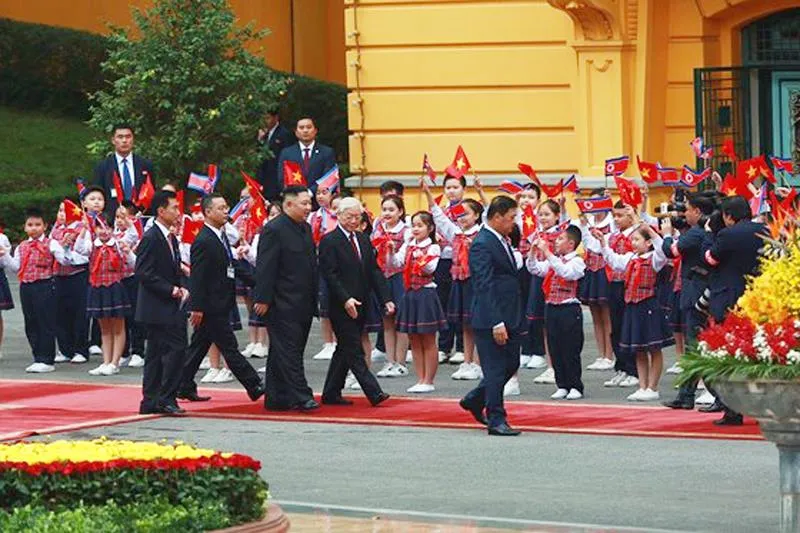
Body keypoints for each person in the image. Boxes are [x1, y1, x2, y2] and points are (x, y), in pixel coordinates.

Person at [177, 193, 265, 403]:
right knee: (229, 346)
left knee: (198, 347)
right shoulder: (204, 240)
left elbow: (231, 266)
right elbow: (198, 277)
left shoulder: (221, 235)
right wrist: (196, 307)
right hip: (209, 305)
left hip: (220, 301)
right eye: (221, 208)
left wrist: (258, 283)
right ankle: (254, 385)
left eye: (226, 207)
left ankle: (183, 384)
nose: (226, 211)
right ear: (208, 212)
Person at [318, 197, 393, 406]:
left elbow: (374, 271)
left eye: (357, 216)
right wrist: (345, 298)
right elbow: (330, 275)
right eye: (349, 216)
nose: (353, 220)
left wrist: (386, 298)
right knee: (353, 347)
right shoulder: (329, 241)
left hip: (362, 301)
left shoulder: (362, 239)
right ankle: (374, 391)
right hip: (340, 304)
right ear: (339, 216)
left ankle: (331, 392)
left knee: (344, 348)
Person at [460, 195, 524, 436]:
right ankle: (496, 418)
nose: (513, 222)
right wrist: (496, 321)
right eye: (510, 218)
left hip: (510, 314)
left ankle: (476, 398)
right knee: (496, 368)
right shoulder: (482, 244)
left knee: (511, 363)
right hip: (492, 317)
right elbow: (484, 285)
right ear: (496, 217)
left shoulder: (501, 239)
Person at [700, 195, 766, 425]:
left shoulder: (727, 234)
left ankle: (732, 410)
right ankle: (762, 408)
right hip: (758, 299)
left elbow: (710, 259)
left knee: (728, 353)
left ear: (728, 216)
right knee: (757, 351)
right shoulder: (765, 230)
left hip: (728, 298)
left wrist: (709, 234)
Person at [253, 185, 319, 411]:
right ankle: (302, 395)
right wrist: (261, 298)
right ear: (288, 204)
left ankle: (276, 396)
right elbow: (266, 267)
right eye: (304, 204)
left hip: (303, 300)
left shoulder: (306, 228)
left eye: (309, 203)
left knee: (285, 350)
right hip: (281, 301)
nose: (308, 208)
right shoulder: (274, 229)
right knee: (288, 350)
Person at [594, 224, 672, 401]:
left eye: (637, 239)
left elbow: (661, 248)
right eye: (633, 239)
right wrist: (603, 243)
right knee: (639, 348)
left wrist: (652, 231)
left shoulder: (655, 259)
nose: (633, 243)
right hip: (633, 306)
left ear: (648, 242)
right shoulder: (631, 258)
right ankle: (642, 385)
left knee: (654, 347)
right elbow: (613, 261)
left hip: (648, 304)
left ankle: (653, 386)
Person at [661, 192, 717, 410]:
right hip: (697, 292)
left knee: (695, 346)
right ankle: (686, 394)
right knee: (693, 347)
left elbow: (671, 251)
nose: (684, 214)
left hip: (695, 294)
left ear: (698, 212)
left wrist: (666, 235)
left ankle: (719, 397)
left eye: (687, 210)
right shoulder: (700, 231)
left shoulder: (696, 233)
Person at [135, 190, 188, 416]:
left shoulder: (170, 237)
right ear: (161, 211)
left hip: (166, 306)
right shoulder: (151, 237)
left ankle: (151, 399)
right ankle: (166, 397)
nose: (178, 212)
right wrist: (172, 290)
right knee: (175, 350)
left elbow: (167, 267)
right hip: (158, 305)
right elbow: (144, 272)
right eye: (174, 208)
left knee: (156, 353)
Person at [0, 209, 71, 373]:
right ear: (25, 228)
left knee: (45, 321)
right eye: (30, 225)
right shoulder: (22, 247)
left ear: (45, 226)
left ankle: (47, 358)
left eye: (37, 225)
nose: (34, 228)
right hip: (26, 286)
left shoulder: (50, 243)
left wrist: (65, 247)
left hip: (45, 285)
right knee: (31, 322)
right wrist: (4, 256)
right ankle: (37, 356)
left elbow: (63, 260)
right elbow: (15, 267)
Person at [526, 225, 586, 400]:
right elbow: (535, 269)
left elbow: (566, 273)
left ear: (571, 243)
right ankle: (562, 384)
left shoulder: (577, 261)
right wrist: (532, 252)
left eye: (560, 239)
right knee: (555, 347)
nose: (556, 242)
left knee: (570, 348)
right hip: (551, 307)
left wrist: (549, 254)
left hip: (569, 308)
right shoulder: (554, 261)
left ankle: (575, 384)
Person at [392, 211, 447, 393]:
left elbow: (430, 267)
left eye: (420, 225)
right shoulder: (408, 246)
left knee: (428, 338)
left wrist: (418, 257)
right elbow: (396, 262)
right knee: (413, 338)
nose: (415, 229)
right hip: (410, 293)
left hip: (425, 294)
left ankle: (429, 380)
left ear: (430, 228)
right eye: (413, 225)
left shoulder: (433, 247)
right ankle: (420, 377)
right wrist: (391, 250)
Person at [78, 214, 135, 376]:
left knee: (118, 326)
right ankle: (106, 361)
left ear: (113, 228)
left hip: (115, 287)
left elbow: (133, 238)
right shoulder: (92, 246)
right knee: (104, 328)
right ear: (94, 229)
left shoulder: (117, 244)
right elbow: (78, 248)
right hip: (97, 287)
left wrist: (127, 221)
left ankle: (115, 362)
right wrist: (83, 229)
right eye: (99, 227)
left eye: (107, 227)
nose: (104, 231)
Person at [372, 195, 410, 378]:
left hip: (399, 277)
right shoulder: (378, 229)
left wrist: (392, 251)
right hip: (382, 277)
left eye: (391, 210)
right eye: (384, 209)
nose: (387, 213)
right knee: (386, 322)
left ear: (400, 212)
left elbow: (402, 260)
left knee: (400, 321)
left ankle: (401, 362)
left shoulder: (406, 231)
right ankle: (390, 360)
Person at [49, 200, 91, 364]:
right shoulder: (55, 231)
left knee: (79, 313)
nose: (61, 214)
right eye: (59, 211)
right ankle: (65, 349)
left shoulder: (81, 228)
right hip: (59, 275)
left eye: (65, 211)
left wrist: (68, 253)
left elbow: (84, 253)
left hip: (78, 274)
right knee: (61, 313)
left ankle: (80, 349)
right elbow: (52, 250)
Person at [93, 124, 155, 213]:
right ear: (113, 140)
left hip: (141, 218)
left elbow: (151, 193)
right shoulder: (102, 167)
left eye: (128, 137)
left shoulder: (145, 165)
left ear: (133, 139)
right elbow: (97, 195)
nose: (124, 140)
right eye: (120, 137)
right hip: (112, 220)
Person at [276, 117, 336, 197]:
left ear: (315, 131)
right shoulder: (287, 153)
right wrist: (298, 194)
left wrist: (310, 192)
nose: (305, 130)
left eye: (309, 127)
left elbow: (328, 178)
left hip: (319, 199)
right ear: (296, 132)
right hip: (295, 199)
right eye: (301, 128)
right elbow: (282, 179)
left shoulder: (327, 152)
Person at [257, 107, 295, 202]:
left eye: (268, 118)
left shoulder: (284, 134)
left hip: (276, 180)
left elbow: (287, 159)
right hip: (265, 180)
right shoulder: (264, 134)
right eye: (264, 119)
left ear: (275, 118)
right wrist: (260, 140)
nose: (265, 121)